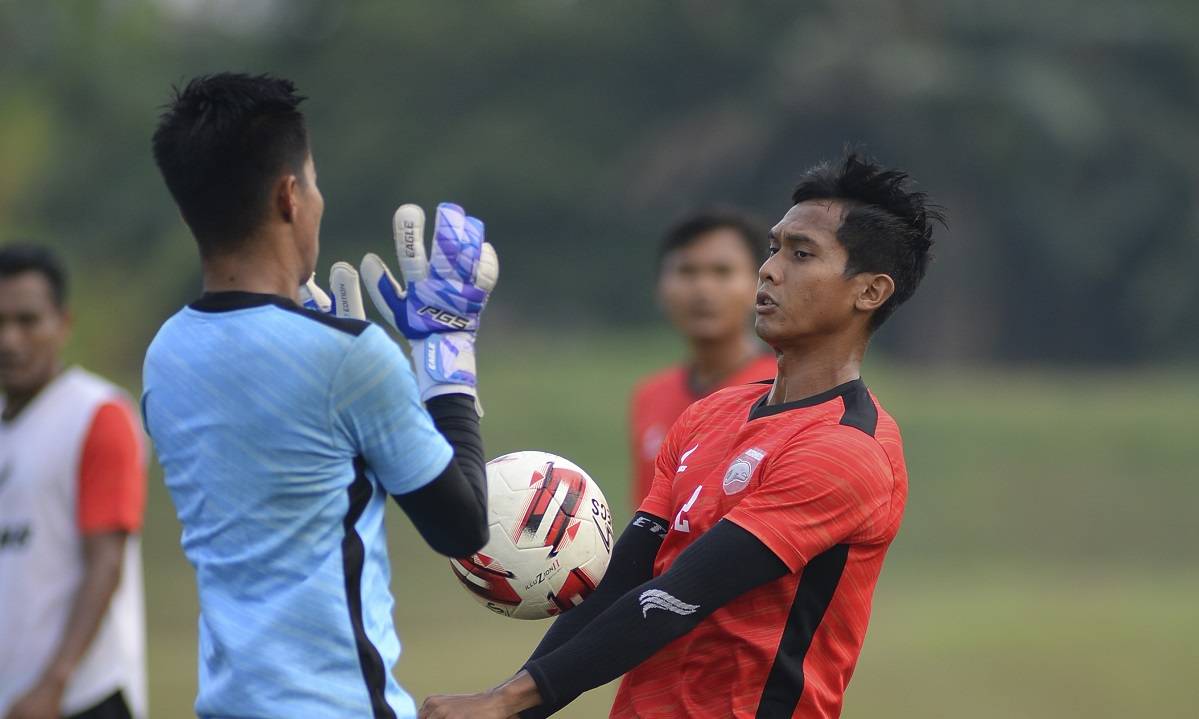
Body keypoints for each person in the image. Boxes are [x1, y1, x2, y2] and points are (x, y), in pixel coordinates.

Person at [419, 151, 944, 719]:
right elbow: (625, 578)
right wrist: (516, 707)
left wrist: (506, 701)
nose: (768, 270)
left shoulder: (847, 451)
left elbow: (681, 593)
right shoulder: (708, 416)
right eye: (774, 248)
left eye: (801, 254)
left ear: (869, 292)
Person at [143, 72, 498, 718]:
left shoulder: (164, 353)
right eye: (312, 181)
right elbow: (463, 525)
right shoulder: (349, 357)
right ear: (288, 196)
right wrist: (447, 360)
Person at [0, 245, 147, 719]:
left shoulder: (96, 415)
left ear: (63, 323)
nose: (10, 340)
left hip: (83, 698)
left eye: (27, 321)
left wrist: (54, 683)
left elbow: (105, 563)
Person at [630, 210, 775, 509]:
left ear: (758, 285)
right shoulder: (650, 396)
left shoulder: (780, 392)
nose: (703, 289)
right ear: (660, 287)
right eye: (687, 271)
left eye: (722, 272)